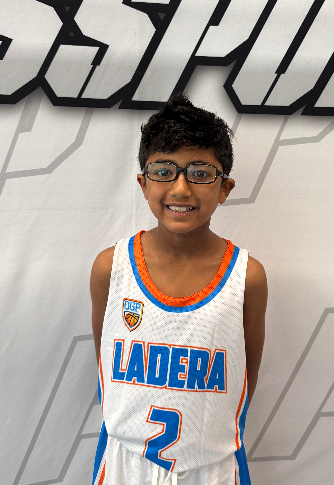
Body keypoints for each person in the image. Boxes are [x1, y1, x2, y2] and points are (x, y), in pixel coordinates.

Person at [90, 93, 268, 485]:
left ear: (224, 187)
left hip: (212, 466)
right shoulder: (111, 267)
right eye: (164, 170)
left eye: (201, 173)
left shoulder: (247, 277)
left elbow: (245, 376)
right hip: (125, 462)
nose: (181, 189)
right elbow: (105, 363)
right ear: (143, 183)